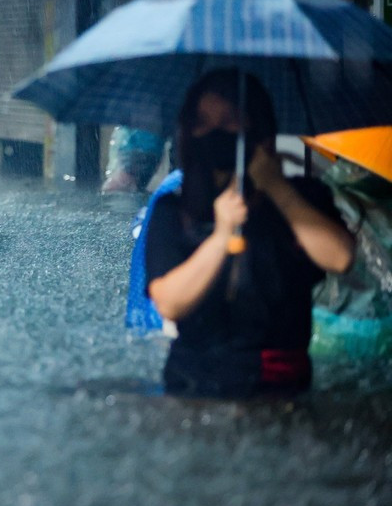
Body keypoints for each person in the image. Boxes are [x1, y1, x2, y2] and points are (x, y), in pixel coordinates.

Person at [144, 69, 354, 398]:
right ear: (188, 130)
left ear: (258, 127)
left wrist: (276, 187)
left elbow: (341, 258)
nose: (215, 131)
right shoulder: (173, 210)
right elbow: (169, 303)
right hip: (192, 384)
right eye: (202, 121)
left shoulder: (303, 198)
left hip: (280, 388)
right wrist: (220, 237)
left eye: (230, 119)